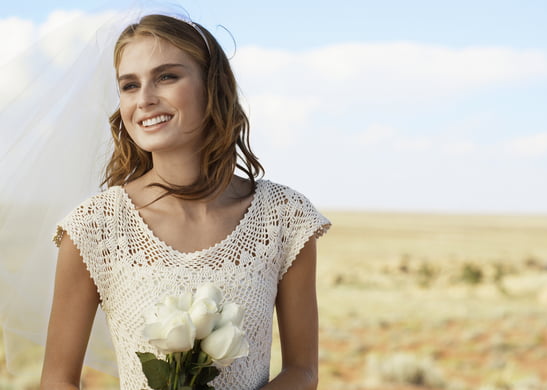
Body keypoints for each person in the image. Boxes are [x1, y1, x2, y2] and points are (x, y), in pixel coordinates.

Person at [38, 14, 330, 390]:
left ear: (213, 86)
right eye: (129, 85)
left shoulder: (284, 217)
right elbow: (57, 380)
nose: (144, 99)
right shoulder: (94, 227)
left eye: (166, 77)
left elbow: (303, 371)